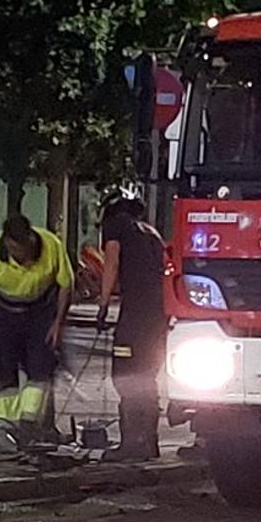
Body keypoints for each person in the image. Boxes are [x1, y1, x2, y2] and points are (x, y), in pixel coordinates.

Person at [0, 214, 73, 442]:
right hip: (5, 314)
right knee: (5, 371)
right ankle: (6, 426)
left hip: (40, 313)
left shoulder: (51, 245)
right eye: (13, 251)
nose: (19, 257)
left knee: (40, 368)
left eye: (21, 251)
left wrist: (58, 323)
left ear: (31, 240)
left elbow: (66, 285)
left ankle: (29, 423)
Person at [97, 196, 166, 462]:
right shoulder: (152, 233)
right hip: (159, 314)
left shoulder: (117, 227)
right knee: (147, 373)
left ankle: (132, 442)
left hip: (136, 313)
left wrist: (103, 306)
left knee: (125, 372)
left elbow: (111, 263)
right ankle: (149, 441)